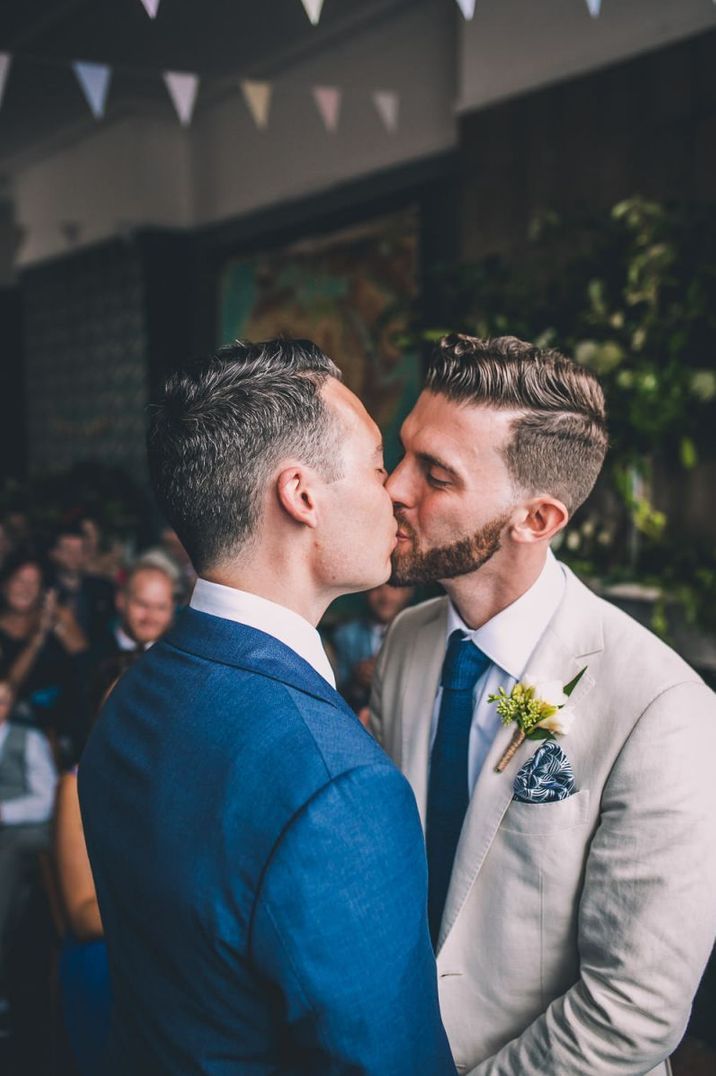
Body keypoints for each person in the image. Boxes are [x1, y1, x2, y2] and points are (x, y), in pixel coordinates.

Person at [79, 339, 455, 1074]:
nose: (400, 493)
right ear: (302, 495)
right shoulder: (340, 788)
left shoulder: (128, 698)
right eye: (379, 467)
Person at [370, 334, 716, 1075]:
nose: (394, 488)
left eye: (436, 474)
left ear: (538, 520)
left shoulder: (663, 709)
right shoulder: (408, 640)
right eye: (404, 454)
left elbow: (635, 1009)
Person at [55, 651, 139, 1076]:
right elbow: (85, 916)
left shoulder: (175, 781)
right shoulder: (76, 786)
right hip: (106, 957)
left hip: (167, 949)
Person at [0, 679, 57, 1026]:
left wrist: (4, 812)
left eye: (3, 700)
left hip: (23, 829)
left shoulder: (28, 738)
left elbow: (47, 798)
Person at [0, 551, 88, 753]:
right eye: (20, 581)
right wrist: (38, 637)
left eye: (34, 583)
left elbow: (87, 665)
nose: (26, 589)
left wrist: (60, 621)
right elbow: (9, 687)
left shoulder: (57, 619)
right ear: (5, 584)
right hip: (12, 729)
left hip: (60, 728)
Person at [333, 583, 414, 713]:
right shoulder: (346, 635)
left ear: (408, 592)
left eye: (394, 588)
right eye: (376, 588)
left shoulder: (418, 634)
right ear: (364, 590)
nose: (386, 597)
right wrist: (356, 679)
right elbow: (336, 690)